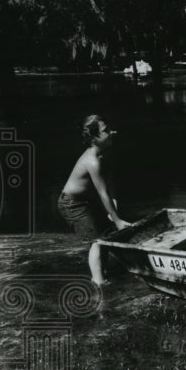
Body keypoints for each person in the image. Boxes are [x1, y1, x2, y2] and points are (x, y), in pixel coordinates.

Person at [58, 115, 130, 285]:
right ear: (94, 138)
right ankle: (98, 281)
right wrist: (118, 220)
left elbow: (109, 183)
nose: (112, 132)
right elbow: (102, 193)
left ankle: (103, 271)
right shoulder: (92, 161)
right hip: (72, 204)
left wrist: (114, 208)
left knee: (104, 234)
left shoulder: (102, 155)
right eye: (106, 131)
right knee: (97, 240)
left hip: (84, 201)